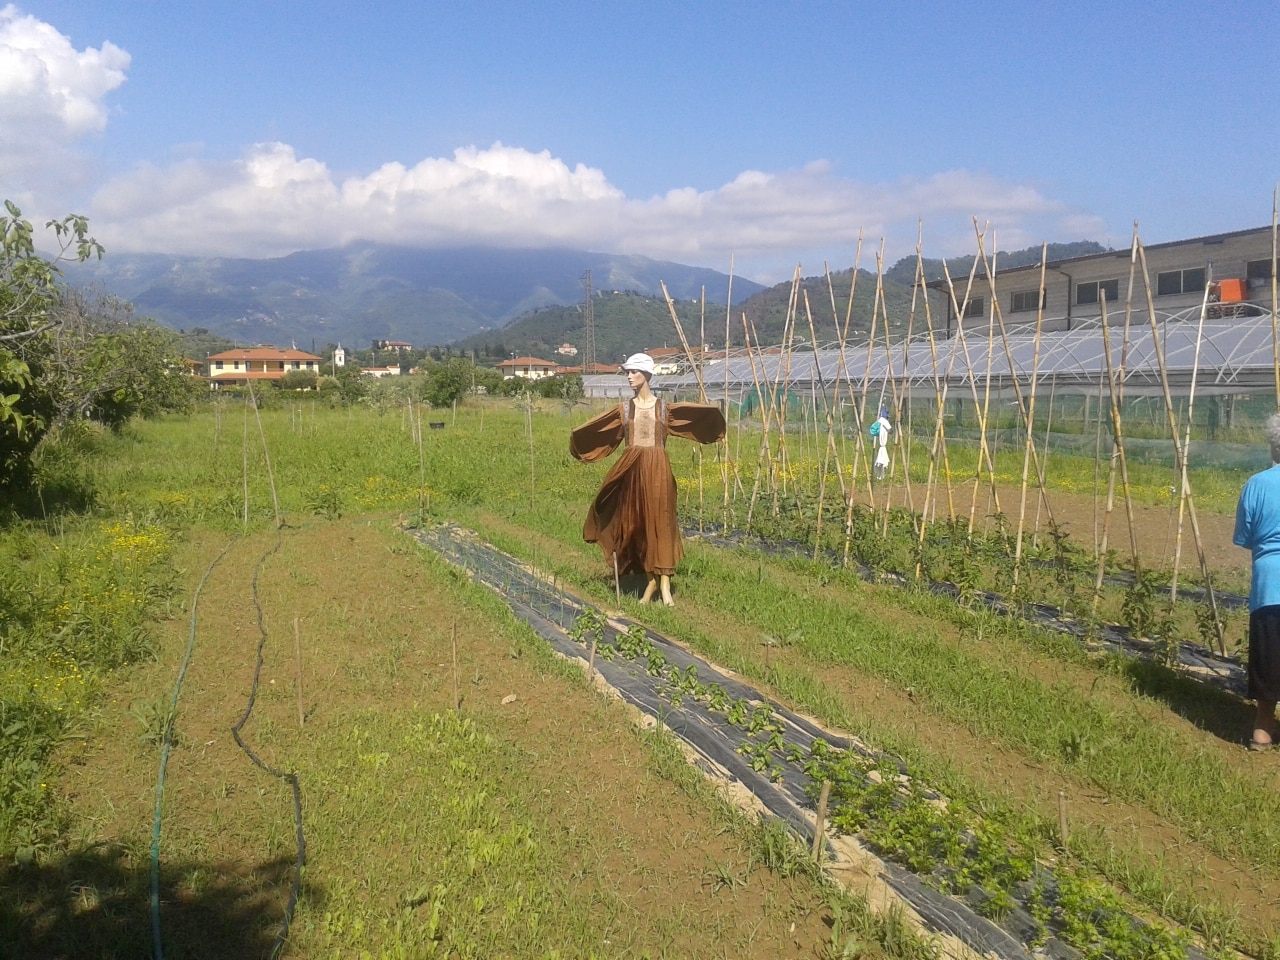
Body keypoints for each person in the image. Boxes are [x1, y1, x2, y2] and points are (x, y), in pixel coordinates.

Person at [570, 353, 726, 606]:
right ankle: (649, 576)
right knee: (635, 521)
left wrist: (714, 424)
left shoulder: (665, 409)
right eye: (628, 372)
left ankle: (662, 583)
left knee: (662, 521)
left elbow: (699, 418)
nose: (629, 377)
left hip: (658, 471)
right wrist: (579, 441)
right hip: (631, 470)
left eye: (634, 372)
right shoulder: (624, 410)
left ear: (647, 375)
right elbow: (599, 431)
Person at [1233, 412, 1280, 750]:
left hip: (1269, 584)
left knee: (1268, 658)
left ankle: (1262, 731)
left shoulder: (1256, 484)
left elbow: (1245, 537)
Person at [872, 406, 893, 481]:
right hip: (882, 444)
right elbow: (890, 430)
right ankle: (881, 476)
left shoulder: (879, 421)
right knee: (881, 462)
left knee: (880, 461)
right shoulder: (884, 421)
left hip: (880, 443)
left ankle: (880, 476)